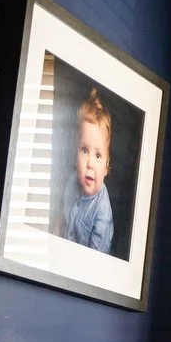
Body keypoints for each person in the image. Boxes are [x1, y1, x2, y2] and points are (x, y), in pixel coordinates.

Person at [63, 88, 114, 254]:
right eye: (84, 150)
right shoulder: (71, 181)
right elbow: (61, 216)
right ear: (75, 154)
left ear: (107, 166)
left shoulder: (102, 213)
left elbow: (95, 265)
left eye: (98, 155)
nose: (90, 163)